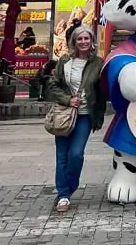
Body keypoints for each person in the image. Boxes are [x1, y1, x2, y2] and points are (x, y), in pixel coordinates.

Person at [48, 25, 106, 212]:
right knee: (62, 156)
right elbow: (53, 85)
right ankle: (63, 195)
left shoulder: (98, 63)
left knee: (76, 154)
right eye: (79, 39)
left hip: (84, 116)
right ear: (74, 41)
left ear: (91, 41)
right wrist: (67, 99)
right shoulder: (64, 61)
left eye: (86, 39)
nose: (83, 42)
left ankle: (70, 186)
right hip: (64, 114)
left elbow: (103, 90)